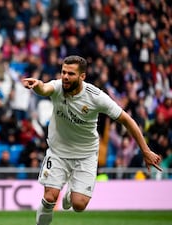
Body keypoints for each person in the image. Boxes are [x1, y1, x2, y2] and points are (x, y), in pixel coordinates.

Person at [21, 55, 162, 225]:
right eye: (63, 72)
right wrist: (37, 86)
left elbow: (127, 120)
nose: (65, 77)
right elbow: (44, 88)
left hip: (85, 155)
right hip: (58, 152)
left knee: (78, 205)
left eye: (71, 74)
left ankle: (71, 192)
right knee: (50, 196)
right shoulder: (58, 87)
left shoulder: (96, 97)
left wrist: (145, 151)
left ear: (82, 76)